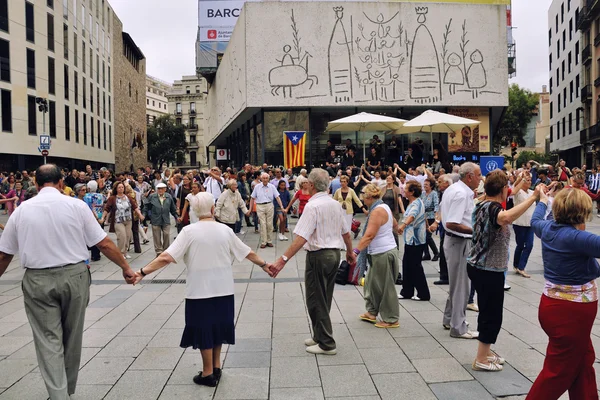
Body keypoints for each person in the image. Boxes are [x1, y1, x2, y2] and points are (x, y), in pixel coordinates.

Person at [0, 164, 135, 400]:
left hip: (37, 279)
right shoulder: (76, 206)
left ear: (36, 182)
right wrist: (125, 267)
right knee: (73, 336)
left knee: (48, 338)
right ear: (61, 183)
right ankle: (67, 389)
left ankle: (58, 394)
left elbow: (4, 254)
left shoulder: (22, 210)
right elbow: (102, 243)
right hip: (75, 276)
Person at [133, 192, 273, 387]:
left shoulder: (189, 232)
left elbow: (166, 257)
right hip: (223, 289)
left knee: (204, 329)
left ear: (194, 211)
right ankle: (216, 366)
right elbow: (246, 251)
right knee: (218, 328)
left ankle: (207, 373)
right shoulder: (225, 230)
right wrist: (265, 265)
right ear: (213, 209)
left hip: (199, 290)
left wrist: (142, 271)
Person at [270, 168, 355, 355]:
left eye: (308, 181)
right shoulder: (334, 203)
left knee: (316, 299)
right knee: (323, 297)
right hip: (334, 254)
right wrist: (349, 251)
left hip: (319, 256)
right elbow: (346, 232)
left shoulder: (312, 206)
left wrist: (282, 260)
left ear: (312, 184)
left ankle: (326, 343)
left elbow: (301, 237)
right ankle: (319, 335)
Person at [526, 187, 600, 398]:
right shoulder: (576, 238)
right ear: (582, 211)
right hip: (571, 313)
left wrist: (542, 200)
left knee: (584, 358)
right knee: (558, 371)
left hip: (552, 306)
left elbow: (535, 220)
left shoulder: (548, 228)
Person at [467, 170, 541, 372]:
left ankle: (486, 349)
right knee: (492, 314)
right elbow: (507, 217)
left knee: (487, 310)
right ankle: (481, 357)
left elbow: (507, 199)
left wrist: (516, 181)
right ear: (501, 190)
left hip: (480, 266)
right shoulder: (493, 209)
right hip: (487, 269)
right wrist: (534, 197)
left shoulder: (482, 202)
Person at [440, 162, 481, 339]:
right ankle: (458, 327)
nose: (481, 179)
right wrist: (476, 230)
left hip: (454, 241)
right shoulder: (461, 193)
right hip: (459, 241)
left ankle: (451, 319)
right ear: (469, 176)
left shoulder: (455, 188)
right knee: (462, 286)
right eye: (479, 175)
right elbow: (452, 222)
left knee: (457, 284)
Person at [352, 183, 400, 328]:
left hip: (382, 252)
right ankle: (372, 312)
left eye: (363, 196)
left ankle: (391, 319)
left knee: (385, 287)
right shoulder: (383, 206)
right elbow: (395, 223)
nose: (362, 200)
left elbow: (369, 235)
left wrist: (355, 251)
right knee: (372, 284)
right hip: (381, 251)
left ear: (368, 197)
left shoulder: (377, 211)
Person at [397, 181, 431, 301]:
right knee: (407, 264)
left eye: (406, 189)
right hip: (411, 239)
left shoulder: (416, 204)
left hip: (415, 240)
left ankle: (423, 293)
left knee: (415, 266)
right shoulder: (414, 202)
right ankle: (407, 291)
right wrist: (428, 227)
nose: (404, 190)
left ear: (411, 192)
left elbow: (412, 216)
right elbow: (422, 216)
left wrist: (402, 226)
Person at [101, 182, 144, 259]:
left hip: (128, 220)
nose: (121, 189)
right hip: (118, 220)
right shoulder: (112, 198)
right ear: (116, 189)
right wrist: (103, 218)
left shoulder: (128, 197)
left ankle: (125, 252)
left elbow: (135, 206)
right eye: (119, 187)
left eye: (122, 187)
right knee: (122, 236)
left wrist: (140, 214)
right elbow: (107, 208)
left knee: (127, 236)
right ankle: (120, 252)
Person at [511, 173, 537, 278]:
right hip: (519, 223)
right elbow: (514, 187)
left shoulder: (532, 193)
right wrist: (520, 178)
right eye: (527, 180)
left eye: (530, 180)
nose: (529, 182)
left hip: (530, 223)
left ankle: (522, 267)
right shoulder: (518, 192)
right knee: (520, 245)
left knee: (529, 245)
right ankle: (516, 265)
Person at [250, 173, 284, 248]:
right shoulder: (257, 187)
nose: (265, 179)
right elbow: (252, 198)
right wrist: (250, 209)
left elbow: (277, 197)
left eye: (266, 178)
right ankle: (263, 242)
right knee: (263, 224)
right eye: (264, 178)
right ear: (261, 179)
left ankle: (269, 240)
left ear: (268, 179)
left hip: (269, 205)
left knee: (269, 224)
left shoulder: (272, 187)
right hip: (260, 206)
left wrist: (281, 206)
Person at [144, 182, 178, 257]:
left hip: (165, 219)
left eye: (162, 189)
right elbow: (146, 206)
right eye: (158, 189)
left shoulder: (168, 196)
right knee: (156, 235)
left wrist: (176, 216)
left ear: (165, 189)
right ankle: (159, 251)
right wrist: (144, 215)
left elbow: (173, 208)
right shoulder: (152, 196)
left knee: (166, 234)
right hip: (155, 219)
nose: (160, 190)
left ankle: (166, 250)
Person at [431, 175, 453, 285]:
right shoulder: (444, 193)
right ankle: (444, 275)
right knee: (443, 249)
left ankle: (446, 276)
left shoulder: (449, 194)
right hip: (444, 225)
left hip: (447, 225)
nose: (438, 183)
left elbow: (444, 210)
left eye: (440, 182)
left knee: (445, 250)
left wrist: (437, 222)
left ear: (447, 183)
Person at [83, 180, 106, 262]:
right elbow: (104, 204)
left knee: (90, 235)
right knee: (98, 236)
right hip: (99, 217)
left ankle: (91, 251)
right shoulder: (101, 196)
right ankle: (96, 254)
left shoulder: (86, 196)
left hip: (90, 217)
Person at [422, 178, 440, 261]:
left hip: (431, 216)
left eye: (426, 185)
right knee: (423, 236)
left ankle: (436, 252)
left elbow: (436, 205)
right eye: (424, 184)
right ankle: (426, 254)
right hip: (423, 216)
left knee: (428, 236)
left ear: (431, 186)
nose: (425, 186)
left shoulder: (434, 193)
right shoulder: (423, 194)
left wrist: (436, 217)